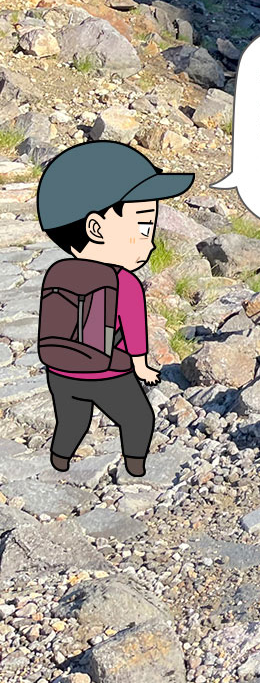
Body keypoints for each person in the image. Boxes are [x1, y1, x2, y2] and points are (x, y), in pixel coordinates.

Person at [34, 141, 194, 478]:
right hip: (106, 373)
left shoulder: (57, 271)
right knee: (137, 418)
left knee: (73, 419)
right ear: (95, 228)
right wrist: (143, 368)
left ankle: (60, 457)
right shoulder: (124, 281)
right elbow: (134, 331)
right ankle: (135, 467)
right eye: (142, 227)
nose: (149, 241)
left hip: (60, 370)